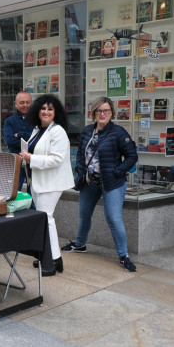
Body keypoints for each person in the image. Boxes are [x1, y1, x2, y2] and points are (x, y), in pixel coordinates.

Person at [62, 97, 139, 272]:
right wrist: (80, 171)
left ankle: (123, 255)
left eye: (106, 111)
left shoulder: (119, 133)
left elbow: (132, 156)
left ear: (112, 113)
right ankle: (80, 244)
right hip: (90, 181)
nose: (102, 114)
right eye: (98, 111)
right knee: (83, 214)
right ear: (94, 113)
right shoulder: (87, 131)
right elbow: (81, 155)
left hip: (112, 182)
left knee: (113, 218)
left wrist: (117, 171)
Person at [21, 95, 74, 276]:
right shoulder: (38, 129)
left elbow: (57, 159)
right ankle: (56, 259)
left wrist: (31, 158)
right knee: (46, 220)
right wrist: (26, 157)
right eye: (43, 108)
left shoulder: (58, 131)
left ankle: (50, 262)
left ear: (55, 112)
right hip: (39, 181)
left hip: (52, 182)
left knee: (46, 219)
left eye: (50, 109)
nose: (46, 111)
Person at [3, 91, 35, 191]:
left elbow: (38, 140)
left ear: (31, 103)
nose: (25, 105)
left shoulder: (38, 120)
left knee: (34, 195)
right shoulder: (9, 121)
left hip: (34, 162)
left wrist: (20, 134)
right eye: (22, 102)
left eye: (27, 102)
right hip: (16, 162)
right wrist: (30, 140)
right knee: (14, 193)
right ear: (16, 104)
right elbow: (10, 141)